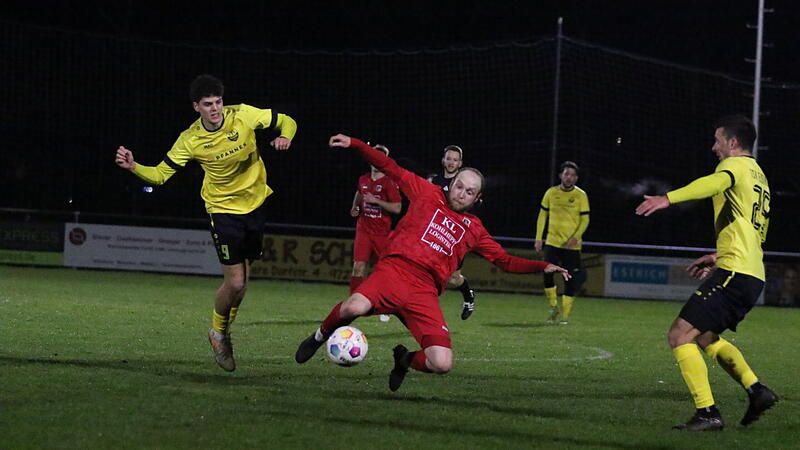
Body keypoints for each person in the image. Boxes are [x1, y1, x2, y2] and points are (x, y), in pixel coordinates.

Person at [296, 134, 570, 392]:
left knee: (442, 363)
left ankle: (404, 360)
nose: (461, 193)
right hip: (394, 272)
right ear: (452, 183)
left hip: (424, 292)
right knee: (353, 306)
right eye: (459, 186)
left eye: (470, 192)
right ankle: (318, 337)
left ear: (477, 198)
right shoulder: (427, 192)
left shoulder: (474, 229)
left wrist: (542, 266)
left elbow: (505, 261)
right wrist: (356, 144)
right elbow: (390, 167)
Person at [115, 74, 297, 372]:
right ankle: (218, 333)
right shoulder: (191, 139)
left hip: (256, 205)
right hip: (223, 211)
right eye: (208, 104)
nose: (215, 109)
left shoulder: (243, 115)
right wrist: (134, 166)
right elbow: (160, 175)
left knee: (243, 286)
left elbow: (287, 121)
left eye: (218, 102)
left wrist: (286, 136)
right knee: (235, 282)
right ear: (196, 107)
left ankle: (222, 331)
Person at [635, 114, 778, 431]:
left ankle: (707, 413)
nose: (714, 147)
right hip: (750, 272)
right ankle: (757, 391)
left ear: (733, 142)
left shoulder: (734, 166)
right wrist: (716, 255)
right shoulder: (759, 175)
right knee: (703, 336)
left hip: (735, 272)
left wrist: (667, 198)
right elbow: (750, 229)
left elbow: (713, 183)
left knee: (679, 335)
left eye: (717, 140)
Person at [349, 144, 402, 321]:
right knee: (358, 266)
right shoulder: (363, 179)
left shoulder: (389, 182)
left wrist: (377, 201)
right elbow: (359, 192)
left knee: (383, 270)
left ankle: (384, 305)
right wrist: (355, 207)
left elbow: (397, 208)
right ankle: (353, 304)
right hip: (363, 230)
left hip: (382, 234)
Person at [534, 161, 590, 324]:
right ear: (561, 176)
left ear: (576, 178)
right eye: (566, 174)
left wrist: (576, 237)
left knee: (570, 278)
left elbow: (585, 219)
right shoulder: (551, 193)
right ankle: (553, 307)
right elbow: (542, 216)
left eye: (572, 175)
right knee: (547, 273)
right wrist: (538, 237)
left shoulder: (581, 195)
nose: (569, 177)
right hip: (552, 242)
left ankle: (565, 316)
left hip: (571, 245)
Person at [427, 145, 477, 320]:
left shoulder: (464, 185)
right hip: (434, 234)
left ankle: (468, 295)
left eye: (455, 160)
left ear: (460, 163)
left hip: (455, 237)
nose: (451, 162)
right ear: (443, 160)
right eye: (449, 158)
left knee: (453, 278)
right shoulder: (434, 181)